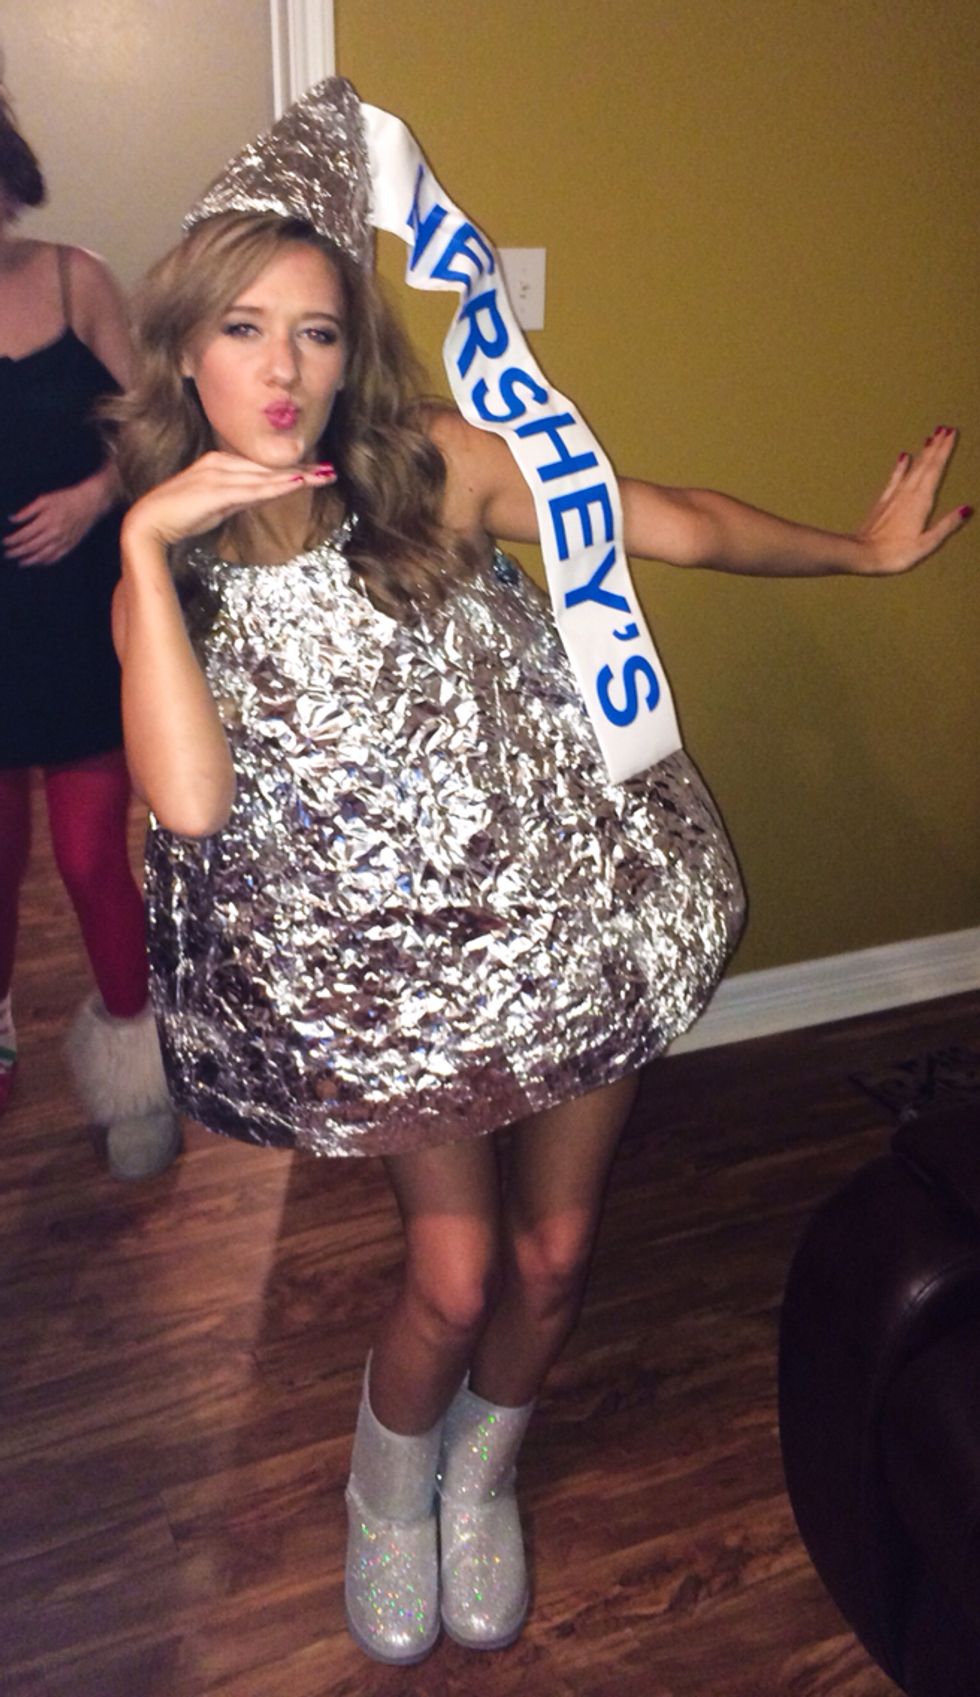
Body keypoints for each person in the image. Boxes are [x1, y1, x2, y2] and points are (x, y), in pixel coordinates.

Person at [110, 81, 970, 1665]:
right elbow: (188, 797)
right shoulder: (176, 567)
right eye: (244, 329)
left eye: (317, 331)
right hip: (397, 980)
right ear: (185, 351)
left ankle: (484, 1470)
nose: (284, 372)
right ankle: (389, 1490)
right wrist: (140, 555)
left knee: (556, 1258)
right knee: (450, 1277)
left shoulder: (433, 466)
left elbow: (667, 521)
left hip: (579, 910)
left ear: (352, 349)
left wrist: (858, 554)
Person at [0, 87, 178, 1178]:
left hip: (76, 623)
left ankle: (135, 1070)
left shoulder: (77, 279)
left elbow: (154, 423)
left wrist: (92, 496)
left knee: (89, 856)